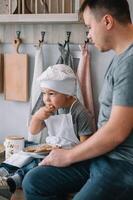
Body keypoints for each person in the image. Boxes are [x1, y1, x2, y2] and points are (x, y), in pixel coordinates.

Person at [22, 0, 133, 200]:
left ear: (107, 21)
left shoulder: (130, 62)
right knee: (33, 181)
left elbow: (116, 131)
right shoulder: (120, 58)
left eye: (89, 27)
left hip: (122, 166)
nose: (88, 34)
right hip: (103, 159)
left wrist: (69, 156)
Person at [0, 63, 92, 198]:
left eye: (51, 93)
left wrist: (66, 155)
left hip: (71, 159)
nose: (46, 98)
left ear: (67, 93)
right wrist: (37, 117)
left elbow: (87, 148)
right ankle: (7, 171)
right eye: (44, 93)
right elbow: (33, 130)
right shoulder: (49, 108)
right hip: (50, 151)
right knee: (27, 152)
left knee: (37, 164)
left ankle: (17, 178)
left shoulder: (80, 113)